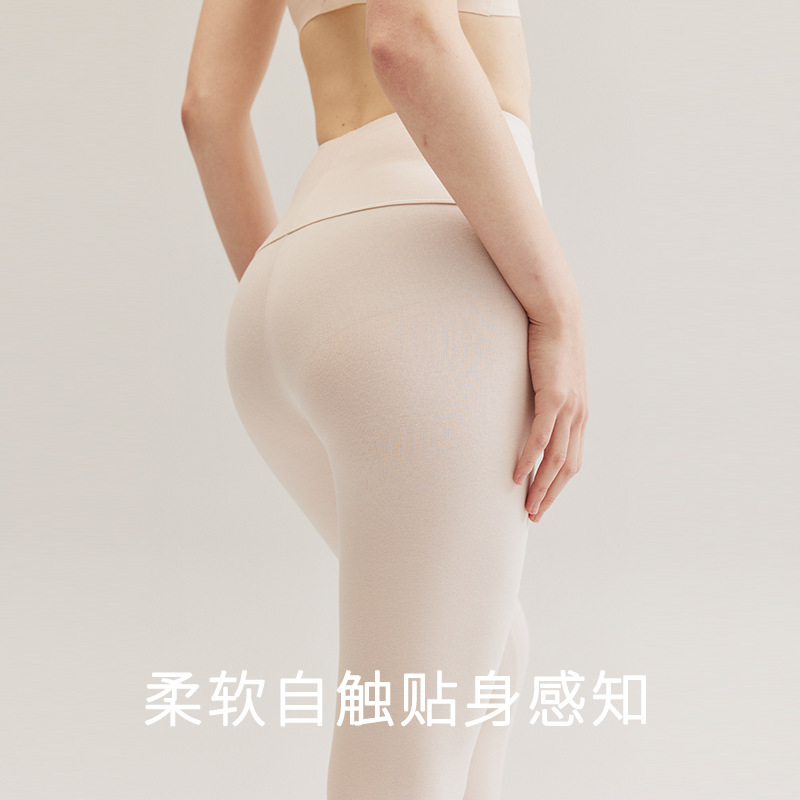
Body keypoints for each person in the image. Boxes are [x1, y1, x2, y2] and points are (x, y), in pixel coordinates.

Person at [182, 0, 588, 796]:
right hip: (426, 270)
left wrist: (323, 308)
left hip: (289, 282)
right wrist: (559, 309)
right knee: (414, 747)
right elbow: (407, 39)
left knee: (491, 653)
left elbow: (208, 108)